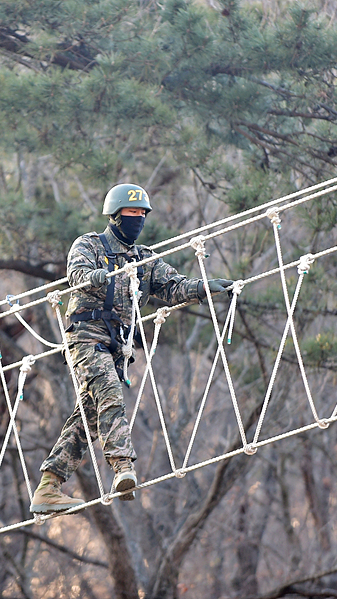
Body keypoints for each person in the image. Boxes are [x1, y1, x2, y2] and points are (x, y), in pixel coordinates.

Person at [30, 183, 233, 514]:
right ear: (114, 216)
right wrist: (99, 275)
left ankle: (48, 486)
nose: (137, 219)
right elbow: (77, 273)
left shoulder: (144, 260)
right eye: (131, 213)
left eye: (142, 214)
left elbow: (173, 286)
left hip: (117, 345)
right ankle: (123, 467)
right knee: (110, 396)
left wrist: (204, 288)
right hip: (86, 334)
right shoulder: (89, 244)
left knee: (89, 419)